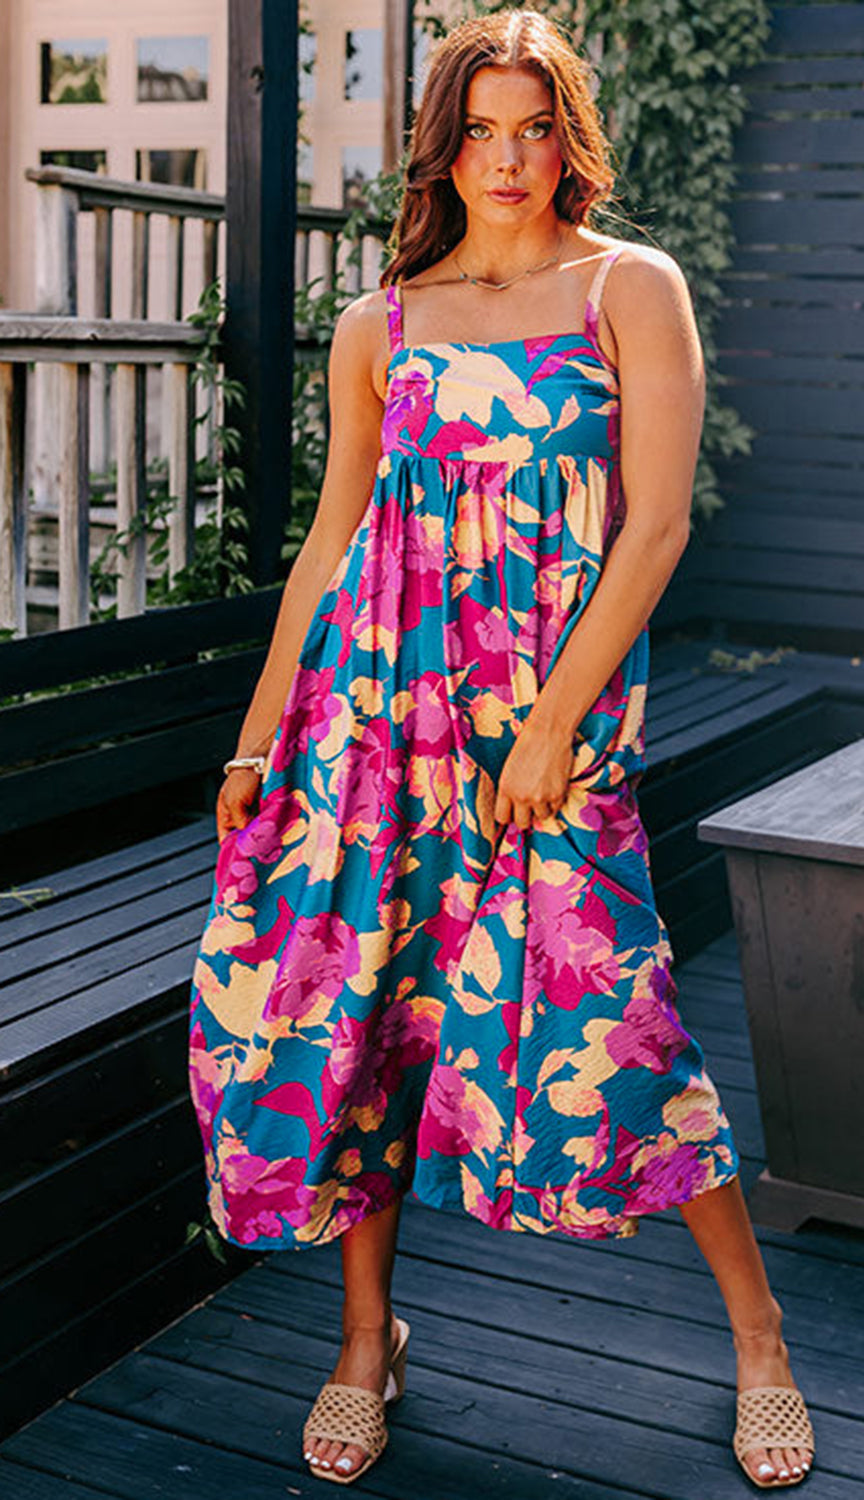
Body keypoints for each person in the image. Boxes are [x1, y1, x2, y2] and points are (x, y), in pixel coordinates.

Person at [188, 5, 815, 1490]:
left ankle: (762, 1339)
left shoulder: (628, 290)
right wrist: (256, 742)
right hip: (368, 735)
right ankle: (366, 1342)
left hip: (547, 741)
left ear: (568, 140)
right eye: (480, 131)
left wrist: (546, 729)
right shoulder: (383, 322)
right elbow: (331, 545)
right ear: (444, 149)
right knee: (359, 1028)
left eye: (534, 128)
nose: (508, 158)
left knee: (621, 1028)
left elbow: (654, 529)